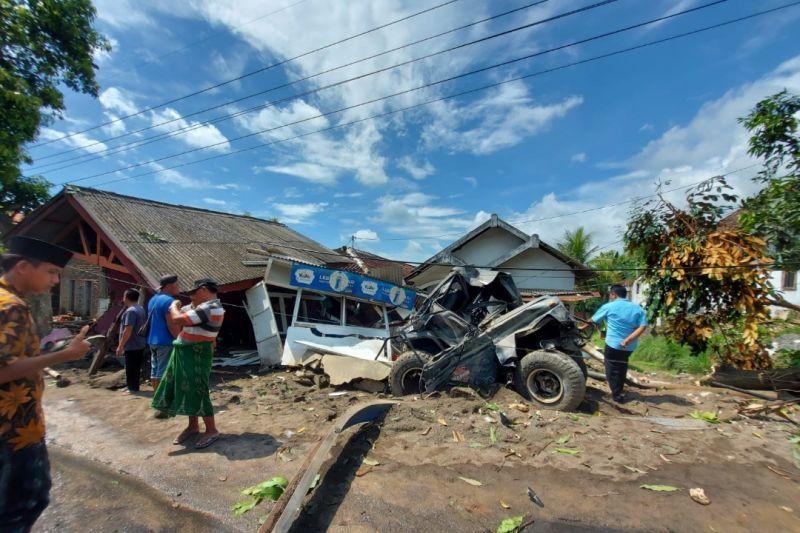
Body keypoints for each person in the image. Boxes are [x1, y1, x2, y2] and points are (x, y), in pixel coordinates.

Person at [0, 236, 91, 532]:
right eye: (52, 272)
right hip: (13, 429)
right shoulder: (12, 306)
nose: (54, 281)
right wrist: (67, 354)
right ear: (24, 266)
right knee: (23, 504)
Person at [151, 278, 224, 449]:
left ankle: (211, 430)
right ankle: (193, 426)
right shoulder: (200, 307)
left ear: (204, 290)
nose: (191, 298)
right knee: (186, 388)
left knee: (198, 389)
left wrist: (173, 307)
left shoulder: (211, 308)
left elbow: (177, 319)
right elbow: (184, 313)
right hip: (186, 352)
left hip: (197, 353)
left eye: (194, 294)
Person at [584, 285, 647, 403]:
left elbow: (592, 320)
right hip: (630, 346)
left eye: (610, 295)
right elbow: (643, 326)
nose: (610, 297)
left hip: (613, 344)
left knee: (611, 369)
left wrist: (581, 327)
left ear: (614, 294)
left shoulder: (609, 306)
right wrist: (628, 340)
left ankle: (617, 395)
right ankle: (619, 391)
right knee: (622, 367)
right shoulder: (637, 308)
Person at [147, 274, 180, 394]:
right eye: (177, 285)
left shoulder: (153, 299)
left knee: (155, 370)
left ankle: (156, 396)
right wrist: (179, 339)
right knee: (164, 370)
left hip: (152, 340)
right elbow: (172, 324)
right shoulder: (169, 301)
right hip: (165, 341)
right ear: (170, 286)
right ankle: (162, 399)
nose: (178, 287)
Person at [116, 289, 147, 393]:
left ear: (126, 297)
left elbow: (127, 330)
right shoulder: (140, 308)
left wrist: (120, 346)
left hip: (132, 343)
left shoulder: (131, 311)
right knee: (135, 366)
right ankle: (132, 386)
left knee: (131, 366)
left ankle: (132, 388)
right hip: (140, 342)